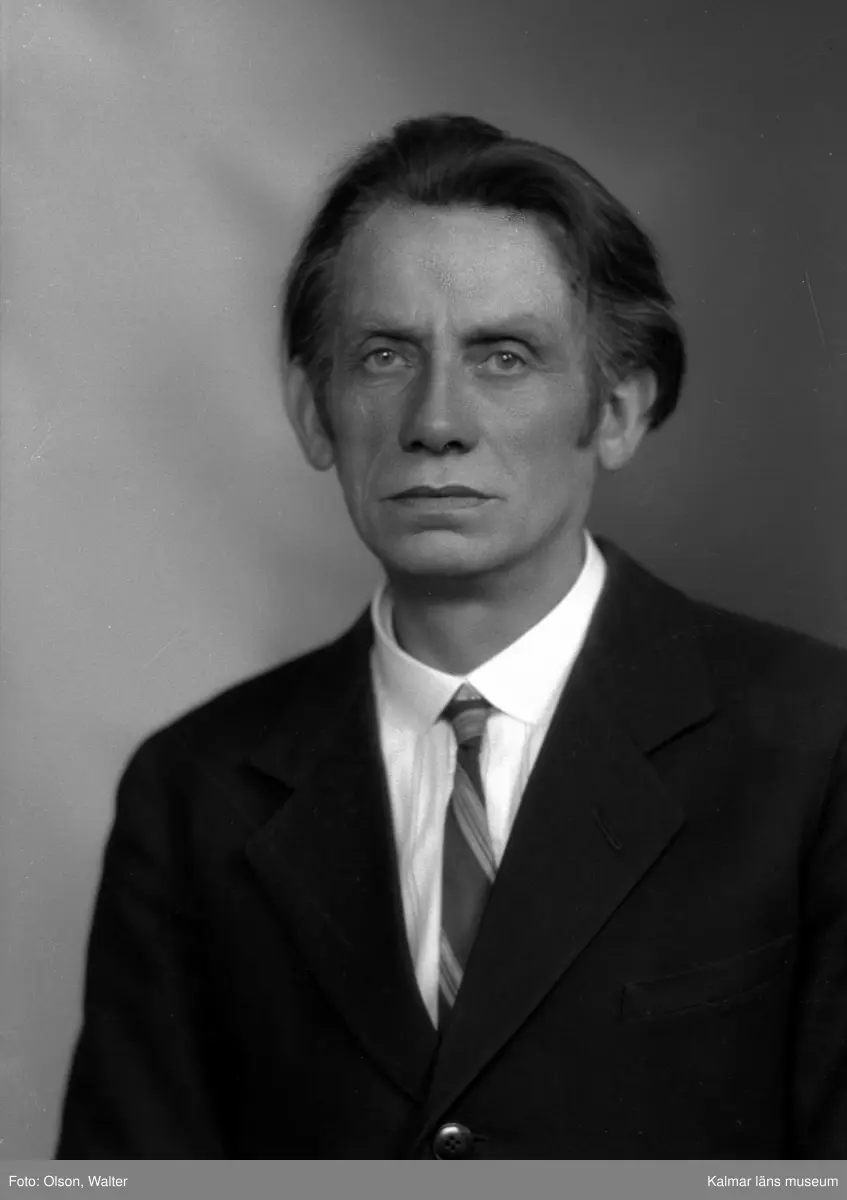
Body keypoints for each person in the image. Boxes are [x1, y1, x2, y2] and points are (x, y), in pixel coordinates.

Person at [57, 114, 847, 1159]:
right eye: (384, 355)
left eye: (503, 357)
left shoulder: (814, 744)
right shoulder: (190, 789)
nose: (436, 421)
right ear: (313, 411)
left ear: (618, 410)